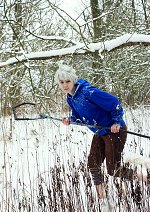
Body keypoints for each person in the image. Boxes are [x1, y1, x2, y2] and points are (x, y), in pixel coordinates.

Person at [54, 64, 147, 200]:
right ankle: (103, 199)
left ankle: (146, 178)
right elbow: (78, 116)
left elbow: (114, 102)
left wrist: (116, 121)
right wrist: (70, 119)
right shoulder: (70, 97)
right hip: (100, 131)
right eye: (61, 82)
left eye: (67, 81)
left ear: (73, 80)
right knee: (93, 164)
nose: (65, 85)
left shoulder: (88, 92)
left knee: (113, 169)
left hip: (114, 131)